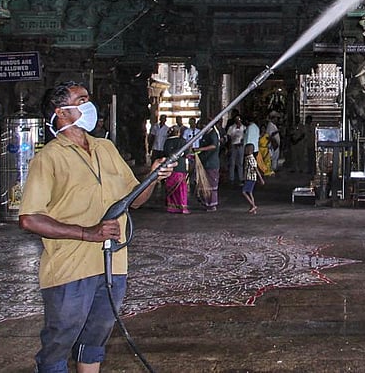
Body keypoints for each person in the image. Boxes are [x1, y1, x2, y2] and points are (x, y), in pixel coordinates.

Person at [19, 80, 171, 373]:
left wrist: (153, 177)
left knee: (95, 339)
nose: (90, 106)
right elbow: (29, 218)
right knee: (60, 343)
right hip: (70, 269)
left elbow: (134, 200)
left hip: (113, 265)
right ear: (61, 112)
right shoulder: (48, 158)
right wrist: (87, 233)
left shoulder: (106, 148)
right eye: (82, 99)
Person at [162, 125, 190, 214]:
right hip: (180, 167)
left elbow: (165, 153)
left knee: (171, 187)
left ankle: (172, 207)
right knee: (181, 189)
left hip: (170, 167)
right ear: (178, 132)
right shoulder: (182, 141)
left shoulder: (167, 142)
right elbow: (186, 153)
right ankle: (182, 207)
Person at [195, 120, 221, 211]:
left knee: (211, 184)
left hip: (211, 163)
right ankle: (206, 202)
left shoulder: (213, 134)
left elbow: (214, 146)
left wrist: (201, 149)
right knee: (205, 184)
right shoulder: (205, 134)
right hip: (205, 162)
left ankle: (212, 204)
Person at [242, 141, 265, 214]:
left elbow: (255, 168)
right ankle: (252, 208)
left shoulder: (250, 158)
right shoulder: (249, 158)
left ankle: (253, 205)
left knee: (244, 192)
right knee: (250, 192)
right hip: (250, 177)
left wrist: (261, 178)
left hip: (250, 177)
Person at [226, 115, 245, 185]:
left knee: (240, 163)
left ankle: (241, 178)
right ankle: (231, 178)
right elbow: (228, 136)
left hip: (241, 146)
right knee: (232, 162)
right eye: (236, 119)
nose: (238, 121)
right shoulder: (231, 128)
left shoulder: (244, 127)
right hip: (233, 146)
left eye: (239, 119)